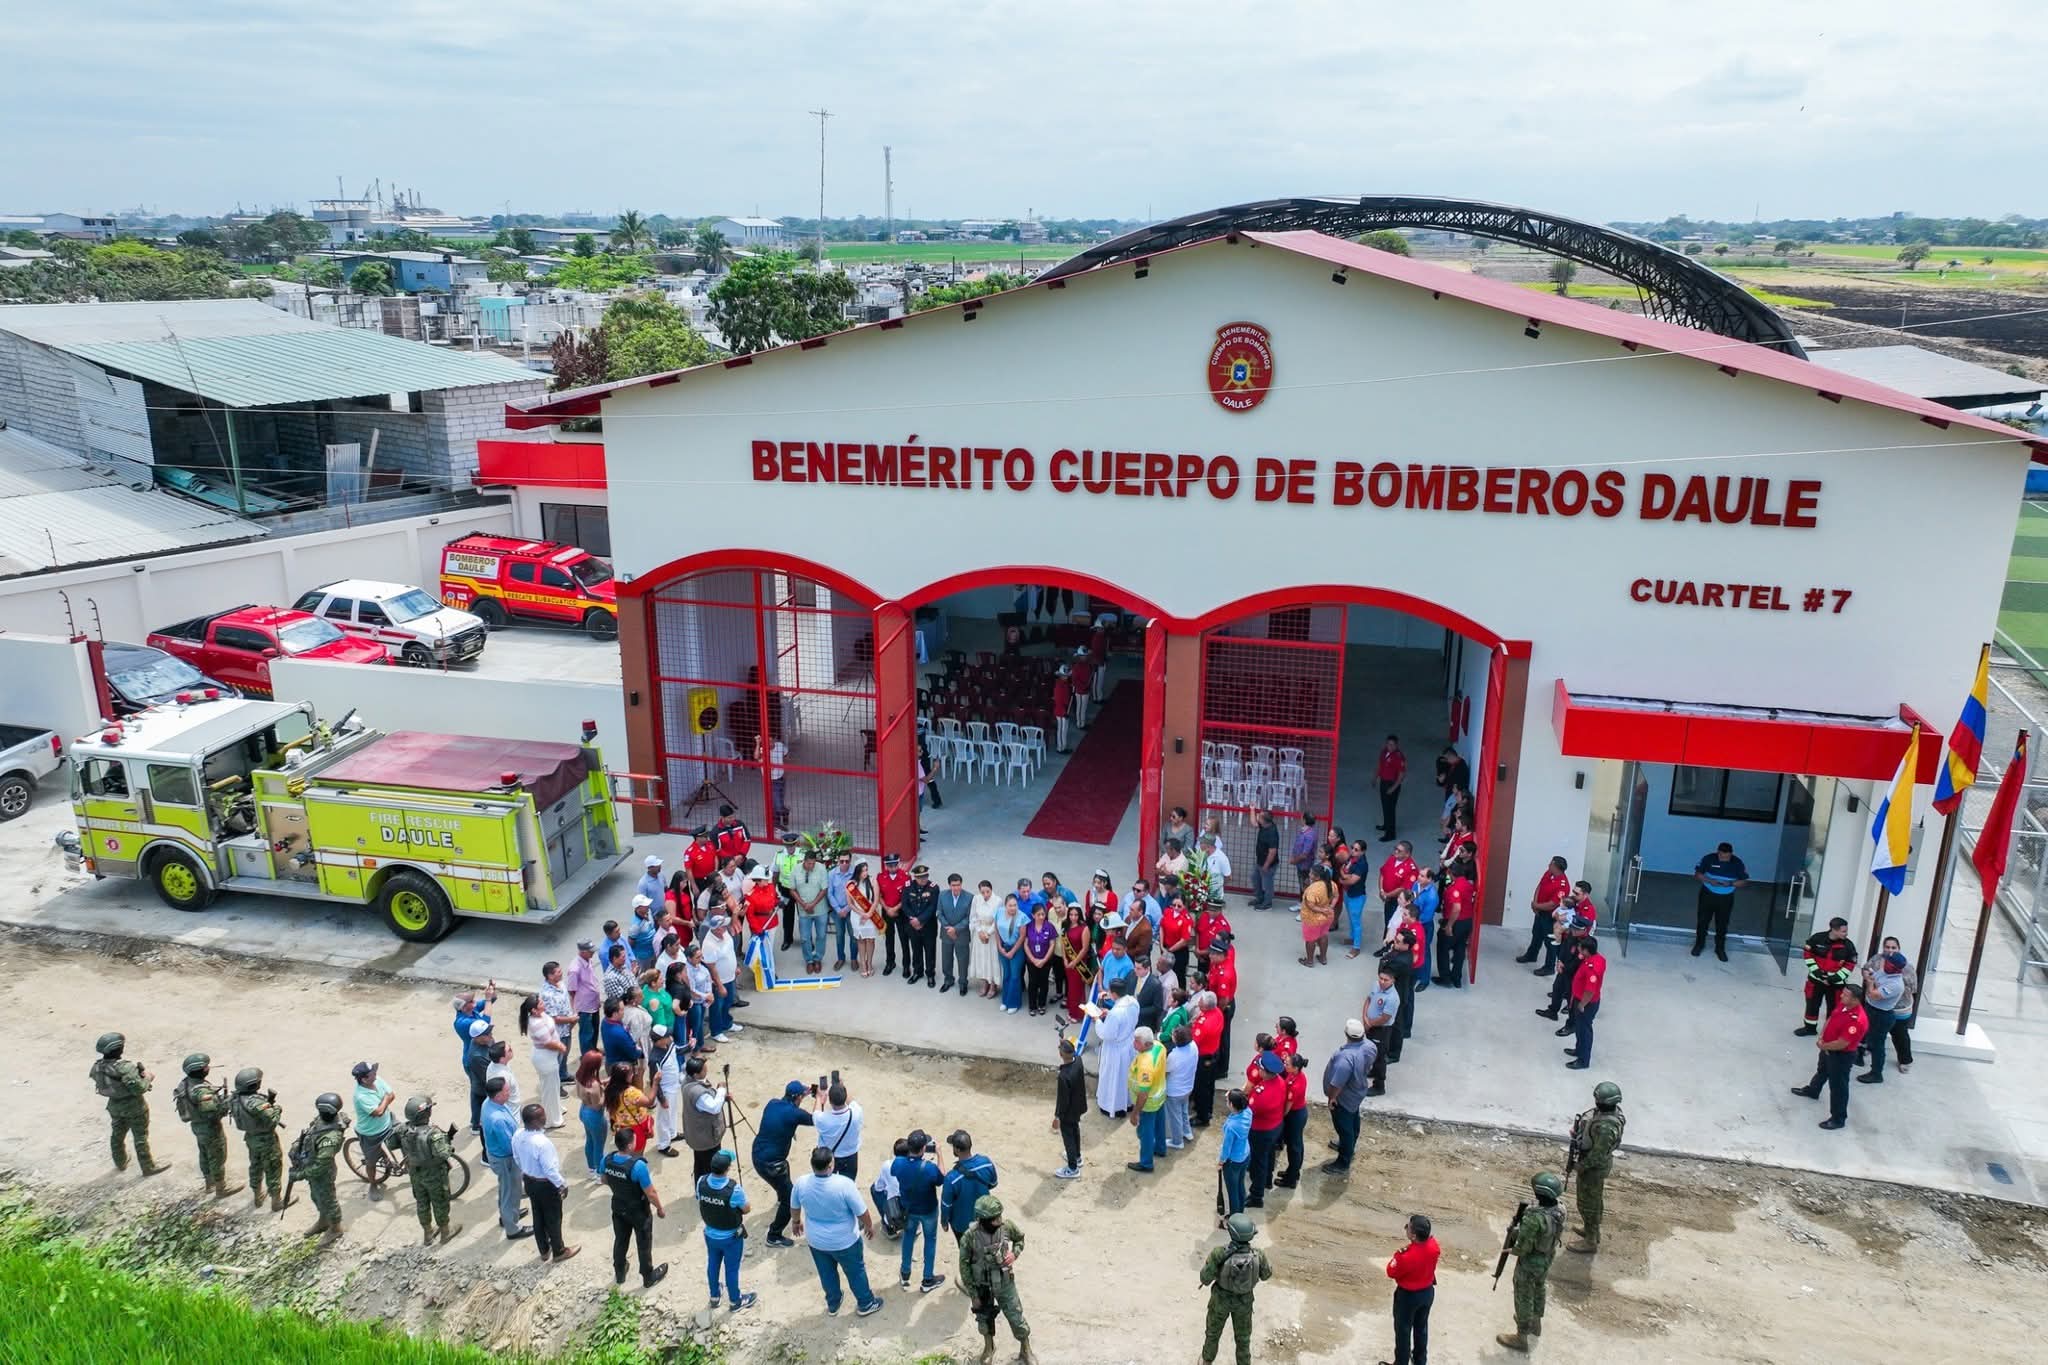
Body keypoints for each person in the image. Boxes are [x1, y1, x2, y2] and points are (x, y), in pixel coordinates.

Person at [791, 1144, 884, 1316]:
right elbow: (862, 1212)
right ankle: (866, 1303)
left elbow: (795, 1206)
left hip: (816, 1241)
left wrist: (796, 1222)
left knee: (826, 1273)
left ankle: (833, 1303)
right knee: (855, 1271)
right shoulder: (844, 1184)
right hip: (845, 1241)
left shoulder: (801, 1183)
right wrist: (869, 1226)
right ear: (830, 1165)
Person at [1497, 1172, 1567, 1354]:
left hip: (1530, 1262)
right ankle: (1536, 1323)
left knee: (1523, 1296)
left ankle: (1521, 1337)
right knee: (1539, 1288)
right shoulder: (1560, 1209)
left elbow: (1523, 1248)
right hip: (1547, 1256)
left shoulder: (1534, 1218)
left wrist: (1512, 1242)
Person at [961, 1195, 1035, 1364]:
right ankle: (989, 1347)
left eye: (999, 1216)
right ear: (983, 1220)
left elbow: (1020, 1239)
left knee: (1016, 1316)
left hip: (1004, 1282)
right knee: (983, 1319)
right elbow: (964, 1267)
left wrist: (1014, 1254)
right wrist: (973, 1294)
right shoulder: (969, 1237)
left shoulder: (1006, 1227)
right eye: (994, 1219)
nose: (999, 1221)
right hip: (982, 1285)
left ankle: (1025, 1349)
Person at [1792, 981, 1870, 1130]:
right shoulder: (1844, 1005)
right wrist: (1822, 1036)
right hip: (1827, 1047)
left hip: (1841, 1056)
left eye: (1846, 995)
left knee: (1838, 1087)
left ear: (1855, 1000)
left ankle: (1838, 1119)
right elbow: (1831, 1018)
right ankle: (1813, 1090)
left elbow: (1842, 1043)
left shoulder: (1857, 1021)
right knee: (1822, 1071)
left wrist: (1824, 1046)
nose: (1841, 996)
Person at [1200, 1212, 1273, 1365]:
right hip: (1244, 1302)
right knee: (1243, 1339)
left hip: (1220, 1301)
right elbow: (1266, 1275)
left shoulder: (1219, 1253)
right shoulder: (1258, 1255)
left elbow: (1205, 1278)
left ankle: (1206, 1360)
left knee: (1213, 1333)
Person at [602, 1127, 670, 1289]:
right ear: (630, 1145)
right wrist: (660, 1208)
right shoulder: (638, 1166)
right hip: (638, 1211)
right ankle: (648, 1276)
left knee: (620, 1240)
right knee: (643, 1243)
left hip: (618, 1206)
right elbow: (651, 1193)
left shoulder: (607, 1160)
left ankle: (620, 1272)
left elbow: (604, 1179)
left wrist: (618, 1186)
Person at [388, 1095, 460, 1246]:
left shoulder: (402, 1129)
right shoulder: (433, 1133)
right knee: (440, 1202)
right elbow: (443, 1154)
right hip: (434, 1174)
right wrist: (448, 1143)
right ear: (426, 1113)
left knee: (422, 1202)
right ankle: (445, 1232)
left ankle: (428, 1234)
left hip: (415, 1172)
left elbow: (391, 1144)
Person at [513, 1101, 578, 1264]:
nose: (545, 1117)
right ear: (535, 1121)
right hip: (545, 1184)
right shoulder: (542, 1143)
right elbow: (549, 1170)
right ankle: (559, 1251)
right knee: (553, 1218)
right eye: (542, 1116)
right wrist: (562, 1184)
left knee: (538, 1215)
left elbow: (516, 1158)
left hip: (529, 1181)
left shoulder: (518, 1135)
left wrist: (526, 1171)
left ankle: (544, 1250)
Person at [753, 1079, 816, 1247]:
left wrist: (803, 1093)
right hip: (772, 1165)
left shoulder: (772, 1103)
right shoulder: (795, 1114)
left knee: (783, 1179)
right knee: (791, 1198)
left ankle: (781, 1196)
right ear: (799, 1097)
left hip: (758, 1154)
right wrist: (819, 1099)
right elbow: (816, 1119)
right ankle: (774, 1235)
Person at [170, 1053, 241, 1200]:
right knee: (217, 1157)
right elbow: (212, 1113)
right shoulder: (201, 1091)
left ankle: (209, 1184)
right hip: (210, 1128)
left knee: (204, 1154)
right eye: (206, 1067)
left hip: (197, 1126)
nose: (208, 1068)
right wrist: (227, 1102)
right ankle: (221, 1188)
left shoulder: (185, 1083)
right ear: (201, 1070)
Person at [1568, 1081, 1626, 1254]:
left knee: (1588, 1204)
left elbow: (1598, 1154)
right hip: (1595, 1165)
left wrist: (1581, 1166)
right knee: (1594, 1201)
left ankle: (1590, 1240)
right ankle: (1591, 1230)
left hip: (1593, 1168)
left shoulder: (1606, 1126)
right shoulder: (1607, 1115)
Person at [697, 1149, 755, 1311]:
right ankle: (735, 1301)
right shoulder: (733, 1189)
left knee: (713, 1263)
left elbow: (700, 1199)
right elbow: (746, 1209)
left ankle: (714, 1296)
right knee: (731, 1269)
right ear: (727, 1168)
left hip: (710, 1234)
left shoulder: (701, 1182)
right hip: (731, 1238)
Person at [891, 1128, 948, 1292]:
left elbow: (894, 1170)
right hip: (928, 1210)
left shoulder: (898, 1163)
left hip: (908, 1210)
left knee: (908, 1237)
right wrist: (939, 1154)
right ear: (924, 1148)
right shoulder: (929, 1168)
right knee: (930, 1240)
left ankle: (905, 1273)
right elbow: (942, 1177)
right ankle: (927, 1279)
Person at [290, 1092, 349, 1243]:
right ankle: (323, 1220)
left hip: (323, 1172)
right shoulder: (321, 1120)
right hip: (311, 1165)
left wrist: (299, 1175)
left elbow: (320, 1166)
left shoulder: (330, 1138)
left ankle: (335, 1228)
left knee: (328, 1200)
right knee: (316, 1196)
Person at [229, 1067, 288, 1210]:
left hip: (251, 1138)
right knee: (273, 1168)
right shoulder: (256, 1103)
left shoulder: (235, 1099)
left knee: (255, 1166)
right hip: (266, 1140)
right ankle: (276, 1201)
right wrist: (277, 1109)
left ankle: (257, 1196)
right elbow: (273, 1120)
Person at [1321, 1019, 1374, 1176]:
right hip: (1357, 1092)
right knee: (1353, 1119)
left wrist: (1332, 1098)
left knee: (1344, 1128)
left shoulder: (1345, 1059)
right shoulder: (1370, 1046)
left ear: (1346, 1034)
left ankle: (1343, 1161)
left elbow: (1337, 1084)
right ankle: (1349, 1145)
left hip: (1343, 1098)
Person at [1387, 1213, 1441, 1365]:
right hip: (1427, 1293)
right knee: (1421, 1328)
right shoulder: (1434, 1246)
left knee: (1403, 1332)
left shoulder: (1405, 1256)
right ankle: (1420, 1360)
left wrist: (1398, 1255)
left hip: (1408, 1297)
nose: (1406, 1229)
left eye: (1408, 1228)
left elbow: (1391, 1271)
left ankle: (1401, 1362)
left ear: (1414, 1236)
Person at [480, 1076, 529, 1240]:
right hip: (505, 1160)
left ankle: (508, 1215)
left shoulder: (489, 1103)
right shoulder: (497, 1120)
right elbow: (509, 1146)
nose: (510, 1093)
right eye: (507, 1091)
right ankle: (513, 1228)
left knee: (505, 1189)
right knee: (511, 1191)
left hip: (498, 1156)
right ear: (498, 1095)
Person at [1686, 840, 1750, 961]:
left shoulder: (1737, 863)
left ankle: (1720, 948)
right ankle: (1699, 944)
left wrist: (1730, 883)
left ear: (1731, 854)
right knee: (1703, 921)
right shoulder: (1708, 859)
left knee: (1722, 924)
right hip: (1707, 894)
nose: (1724, 859)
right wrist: (1710, 881)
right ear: (1718, 852)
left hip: (1726, 897)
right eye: (1721, 856)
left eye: (1727, 857)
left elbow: (1744, 882)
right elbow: (1697, 875)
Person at [1797, 916, 1859, 1035]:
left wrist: (1833, 979)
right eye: (1843, 931)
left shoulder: (1848, 946)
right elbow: (1808, 955)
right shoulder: (1817, 938)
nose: (1846, 934)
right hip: (1816, 981)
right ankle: (1809, 1028)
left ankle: (1831, 1032)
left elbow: (1850, 965)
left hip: (1836, 985)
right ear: (1834, 930)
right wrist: (1817, 972)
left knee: (1834, 1009)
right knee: (1812, 1005)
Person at [1123, 1027, 1170, 1173]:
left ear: (1146, 1044)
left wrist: (1135, 1113)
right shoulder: (1159, 1046)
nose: (1133, 1043)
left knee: (1145, 1132)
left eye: (1137, 1041)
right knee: (1159, 1124)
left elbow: (1143, 1094)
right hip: (1159, 1094)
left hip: (1148, 1102)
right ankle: (1160, 1148)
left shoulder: (1145, 1065)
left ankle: (1146, 1163)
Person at [347, 1060, 395, 1200]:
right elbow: (378, 1112)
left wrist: (384, 1101)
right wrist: (386, 1098)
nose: (375, 1074)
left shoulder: (377, 1079)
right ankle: (373, 1184)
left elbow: (392, 1095)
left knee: (407, 1137)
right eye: (372, 1073)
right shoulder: (361, 1096)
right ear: (364, 1079)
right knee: (371, 1162)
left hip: (388, 1121)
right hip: (371, 1133)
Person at [1859, 951, 1910, 1083]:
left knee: (1877, 1045)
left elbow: (1873, 995)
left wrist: (1869, 982)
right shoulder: (1884, 972)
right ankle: (1859, 1056)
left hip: (1881, 1015)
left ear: (1893, 966)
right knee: (1866, 1035)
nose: (1884, 962)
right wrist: (1870, 977)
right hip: (1871, 1009)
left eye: (1887, 961)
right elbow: (1874, 978)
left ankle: (1876, 1073)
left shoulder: (1896, 984)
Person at [1092, 975, 1139, 1117]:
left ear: (1114, 994)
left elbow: (1106, 1034)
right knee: (1126, 1077)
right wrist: (1109, 1013)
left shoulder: (1116, 1013)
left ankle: (1112, 1106)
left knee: (1113, 1078)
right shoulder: (1133, 1002)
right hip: (1128, 1044)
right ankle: (1127, 1102)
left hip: (1115, 1049)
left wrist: (1097, 1020)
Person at [1244, 1052, 1286, 1206]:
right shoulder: (1280, 1081)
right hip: (1275, 1126)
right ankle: (1267, 1180)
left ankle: (1256, 1196)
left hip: (1261, 1131)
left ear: (1265, 1072)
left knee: (1258, 1162)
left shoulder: (1261, 1092)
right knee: (1269, 1154)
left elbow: (1250, 1110)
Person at [941, 1129, 1000, 1238]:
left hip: (962, 1225)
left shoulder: (951, 1178)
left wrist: (944, 1222)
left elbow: (946, 1205)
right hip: (984, 1218)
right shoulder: (986, 1163)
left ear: (957, 1149)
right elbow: (993, 1183)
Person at [680, 1055, 728, 1180]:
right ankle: (709, 1188)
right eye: (703, 1069)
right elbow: (714, 1107)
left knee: (700, 1164)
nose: (706, 1069)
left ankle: (699, 1185)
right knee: (710, 1167)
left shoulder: (687, 1081)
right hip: (706, 1138)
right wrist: (721, 1091)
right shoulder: (698, 1093)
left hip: (696, 1135)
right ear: (696, 1074)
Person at [1519, 855, 1571, 971]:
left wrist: (1536, 906)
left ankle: (1549, 967)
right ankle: (1531, 955)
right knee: (1536, 934)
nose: (1549, 865)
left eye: (1551, 864)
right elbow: (1540, 886)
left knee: (1550, 941)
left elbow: (1552, 904)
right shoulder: (1549, 873)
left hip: (1550, 916)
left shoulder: (1563, 886)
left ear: (1557, 867)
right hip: (1540, 912)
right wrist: (1535, 903)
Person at [1564, 935, 1606, 1069]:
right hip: (1580, 999)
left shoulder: (1592, 968)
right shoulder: (1597, 958)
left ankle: (1583, 1060)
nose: (1578, 949)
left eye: (1581, 948)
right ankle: (1579, 1049)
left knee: (1584, 1031)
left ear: (1587, 951)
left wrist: (1582, 1004)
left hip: (1586, 1003)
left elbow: (1590, 991)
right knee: (1579, 1028)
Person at [1432, 859, 1476, 987]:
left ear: (1451, 873)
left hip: (1455, 922)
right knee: (1460, 949)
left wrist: (1449, 925)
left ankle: (1445, 978)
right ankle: (1457, 979)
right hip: (1467, 922)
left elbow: (1456, 908)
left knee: (1443, 948)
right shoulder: (1468, 885)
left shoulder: (1454, 889)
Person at [791, 846, 831, 975]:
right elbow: (792, 889)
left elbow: (824, 889)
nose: (811, 866)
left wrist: (812, 904)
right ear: (804, 861)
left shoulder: (821, 868)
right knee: (805, 937)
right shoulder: (796, 869)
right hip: (803, 910)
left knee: (821, 935)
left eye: (813, 863)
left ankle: (818, 959)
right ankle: (809, 960)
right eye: (809, 863)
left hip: (820, 910)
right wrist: (803, 904)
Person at [1052, 1035, 1086, 1179]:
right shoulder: (1078, 1060)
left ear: (1061, 1055)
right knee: (1075, 1130)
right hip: (1078, 1106)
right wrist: (1064, 1041)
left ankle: (1072, 1168)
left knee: (1068, 1138)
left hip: (1068, 1112)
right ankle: (1077, 1157)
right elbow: (1073, 1051)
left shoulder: (1063, 1076)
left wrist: (1057, 1117)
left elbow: (1063, 1100)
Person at [1275, 1053, 1311, 1188]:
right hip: (1297, 1113)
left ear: (1295, 1067)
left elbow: (1288, 1107)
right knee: (1296, 1144)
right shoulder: (1295, 1075)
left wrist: (1281, 1116)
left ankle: (1291, 1179)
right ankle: (1293, 1171)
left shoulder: (1296, 1084)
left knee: (1293, 1147)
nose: (1285, 1065)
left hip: (1295, 1115)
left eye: (1287, 1064)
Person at [815, 1080, 864, 1179]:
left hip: (828, 1157)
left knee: (828, 1184)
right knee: (848, 1183)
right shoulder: (857, 1112)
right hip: (850, 1156)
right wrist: (842, 1086)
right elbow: (851, 1101)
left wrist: (819, 1097)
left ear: (830, 1101)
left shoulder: (823, 1119)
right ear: (845, 1097)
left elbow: (816, 1113)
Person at [1191, 991, 1225, 1127]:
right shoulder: (1218, 1013)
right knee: (1209, 1085)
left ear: (1205, 1006)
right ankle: (1207, 1109)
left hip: (1203, 1057)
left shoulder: (1204, 1023)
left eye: (1200, 1001)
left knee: (1201, 1087)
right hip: (1213, 1053)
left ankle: (1202, 1116)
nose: (1198, 1002)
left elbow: (1195, 1041)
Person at [648, 1025, 683, 1155]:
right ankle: (663, 1145)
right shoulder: (654, 1058)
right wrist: (662, 1099)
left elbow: (678, 1050)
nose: (670, 1037)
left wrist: (690, 1046)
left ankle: (672, 1134)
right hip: (666, 1091)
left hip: (674, 1086)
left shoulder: (669, 1045)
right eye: (667, 1036)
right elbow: (654, 1081)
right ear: (659, 1040)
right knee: (664, 1118)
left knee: (673, 1112)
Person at [937, 872, 975, 993]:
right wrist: (948, 927)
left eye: (958, 885)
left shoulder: (970, 897)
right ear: (949, 885)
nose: (956, 888)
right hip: (946, 933)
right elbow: (939, 913)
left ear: (961, 884)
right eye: (953, 885)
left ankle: (963, 982)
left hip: (962, 934)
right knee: (946, 959)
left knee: (963, 960)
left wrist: (956, 929)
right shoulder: (942, 895)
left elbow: (969, 917)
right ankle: (948, 980)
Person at [1217, 1089, 1252, 1216]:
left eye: (1227, 1100)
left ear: (1231, 1104)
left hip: (1233, 1161)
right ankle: (1240, 1211)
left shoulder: (1231, 1127)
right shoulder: (1247, 1112)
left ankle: (1234, 1216)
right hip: (1245, 1155)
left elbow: (1226, 1148)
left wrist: (1221, 1162)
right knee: (1240, 1185)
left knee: (1233, 1191)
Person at [565, 941, 603, 1060]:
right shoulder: (574, 969)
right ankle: (587, 1057)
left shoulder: (588, 961)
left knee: (594, 1029)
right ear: (582, 952)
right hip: (584, 1007)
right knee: (587, 1033)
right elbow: (572, 990)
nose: (592, 953)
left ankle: (593, 1050)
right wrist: (575, 1010)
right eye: (590, 951)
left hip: (593, 1003)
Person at [575, 1052, 608, 1179]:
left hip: (584, 1110)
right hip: (594, 1116)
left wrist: (602, 1084)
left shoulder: (579, 1076)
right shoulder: (593, 1085)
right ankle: (599, 1173)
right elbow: (597, 1105)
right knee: (599, 1144)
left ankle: (591, 1169)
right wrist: (605, 1093)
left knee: (590, 1140)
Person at [877, 852, 910, 977]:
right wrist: (887, 909)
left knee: (904, 939)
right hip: (886, 912)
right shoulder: (881, 877)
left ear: (898, 864)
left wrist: (895, 908)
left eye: (895, 865)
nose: (892, 868)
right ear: (886, 866)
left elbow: (906, 897)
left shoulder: (905, 877)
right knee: (889, 939)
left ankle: (906, 965)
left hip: (901, 912)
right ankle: (890, 963)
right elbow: (879, 896)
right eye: (890, 866)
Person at [1298, 862, 1336, 967]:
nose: (1309, 874)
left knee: (1310, 939)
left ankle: (1309, 961)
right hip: (1327, 916)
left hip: (1312, 918)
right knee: (1323, 935)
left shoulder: (1313, 889)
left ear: (1317, 877)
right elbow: (1336, 896)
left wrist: (1321, 910)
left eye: (1311, 873)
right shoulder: (1331, 884)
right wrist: (1330, 907)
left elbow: (1311, 905)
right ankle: (1323, 958)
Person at [848, 861, 882, 978]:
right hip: (857, 916)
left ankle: (869, 963)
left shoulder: (873, 881)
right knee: (861, 940)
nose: (865, 873)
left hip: (870, 914)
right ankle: (863, 963)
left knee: (870, 940)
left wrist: (868, 914)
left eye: (866, 870)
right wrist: (862, 914)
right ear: (857, 871)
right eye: (863, 871)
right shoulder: (851, 884)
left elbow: (876, 900)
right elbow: (850, 904)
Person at [1023, 901, 1058, 1015]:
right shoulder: (1029, 926)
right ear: (1033, 915)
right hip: (1031, 961)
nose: (1041, 917)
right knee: (1032, 982)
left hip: (1046, 961)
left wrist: (1044, 960)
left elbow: (1052, 944)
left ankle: (1042, 1004)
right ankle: (1032, 1006)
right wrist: (1033, 959)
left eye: (1043, 914)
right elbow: (1025, 944)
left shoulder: (1049, 926)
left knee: (1044, 983)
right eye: (1038, 915)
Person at [970, 878, 1003, 997]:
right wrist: (979, 931)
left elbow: (998, 919)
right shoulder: (976, 899)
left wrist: (988, 933)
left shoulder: (998, 901)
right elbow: (973, 916)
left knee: (991, 959)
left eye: (987, 892)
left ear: (991, 890)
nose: (985, 895)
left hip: (992, 934)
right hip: (979, 934)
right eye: (982, 892)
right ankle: (984, 983)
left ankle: (993, 985)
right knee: (981, 959)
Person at [996, 893, 1028, 1013]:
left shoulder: (1022, 917)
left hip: (1016, 949)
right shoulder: (999, 912)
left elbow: (1022, 936)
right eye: (1010, 905)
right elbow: (996, 930)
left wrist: (1013, 951)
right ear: (1005, 905)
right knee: (1007, 974)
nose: (1013, 908)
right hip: (1003, 948)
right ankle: (1005, 1000)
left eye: (1015, 905)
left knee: (1015, 976)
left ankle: (1014, 1003)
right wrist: (999, 946)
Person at [826, 850, 854, 973]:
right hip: (837, 911)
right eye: (841, 861)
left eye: (847, 861)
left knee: (853, 935)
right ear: (838, 861)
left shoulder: (854, 873)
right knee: (839, 935)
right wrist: (838, 909)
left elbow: (857, 894)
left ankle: (854, 959)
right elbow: (829, 894)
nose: (844, 864)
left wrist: (847, 909)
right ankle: (841, 958)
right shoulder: (832, 874)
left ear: (850, 861)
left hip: (851, 910)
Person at [1376, 734, 1407, 841]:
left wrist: (1393, 788)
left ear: (1396, 745)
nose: (1390, 746)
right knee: (1385, 806)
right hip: (1384, 782)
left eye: (1393, 744)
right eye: (1388, 744)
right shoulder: (1384, 752)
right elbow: (1380, 765)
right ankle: (1386, 825)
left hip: (1392, 784)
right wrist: (1376, 777)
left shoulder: (1398, 757)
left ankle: (1390, 834)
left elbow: (1401, 775)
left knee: (1390, 809)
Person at [1249, 809, 1280, 910]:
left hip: (1268, 864)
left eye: (1259, 816)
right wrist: (1252, 809)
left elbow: (1272, 851)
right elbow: (1254, 823)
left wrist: (1266, 865)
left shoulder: (1272, 833)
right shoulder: (1264, 825)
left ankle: (1267, 903)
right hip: (1260, 861)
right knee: (1255, 878)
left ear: (1263, 820)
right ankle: (1260, 898)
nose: (1257, 816)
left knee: (1267, 884)